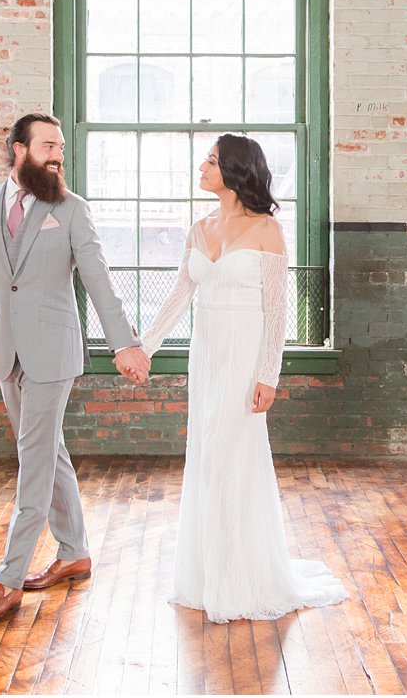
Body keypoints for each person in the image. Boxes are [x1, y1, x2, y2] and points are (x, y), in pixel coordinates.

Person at [139, 134, 347, 623]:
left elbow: (276, 313)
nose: (202, 166)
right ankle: (208, 575)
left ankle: (240, 580)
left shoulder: (268, 230)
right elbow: (177, 297)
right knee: (207, 458)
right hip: (206, 355)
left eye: (211, 161)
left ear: (234, 172)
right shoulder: (199, 227)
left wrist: (267, 375)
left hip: (244, 357)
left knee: (232, 460)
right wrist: (143, 347)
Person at [0, 112, 151, 622]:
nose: (57, 155)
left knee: (34, 463)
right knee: (48, 450)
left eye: (60, 146)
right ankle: (74, 552)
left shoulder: (70, 210)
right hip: (5, 353)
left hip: (54, 352)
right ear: (18, 149)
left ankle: (8, 580)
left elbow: (99, 280)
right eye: (47, 145)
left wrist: (124, 344)